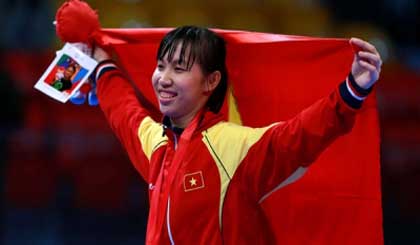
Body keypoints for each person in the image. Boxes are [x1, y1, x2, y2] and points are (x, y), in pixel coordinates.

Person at [91, 26, 382, 244]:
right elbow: (123, 110)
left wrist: (353, 89)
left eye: (178, 69)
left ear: (211, 81)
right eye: (160, 66)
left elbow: (300, 134)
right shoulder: (157, 143)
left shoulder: (233, 147)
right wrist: (101, 63)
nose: (163, 79)